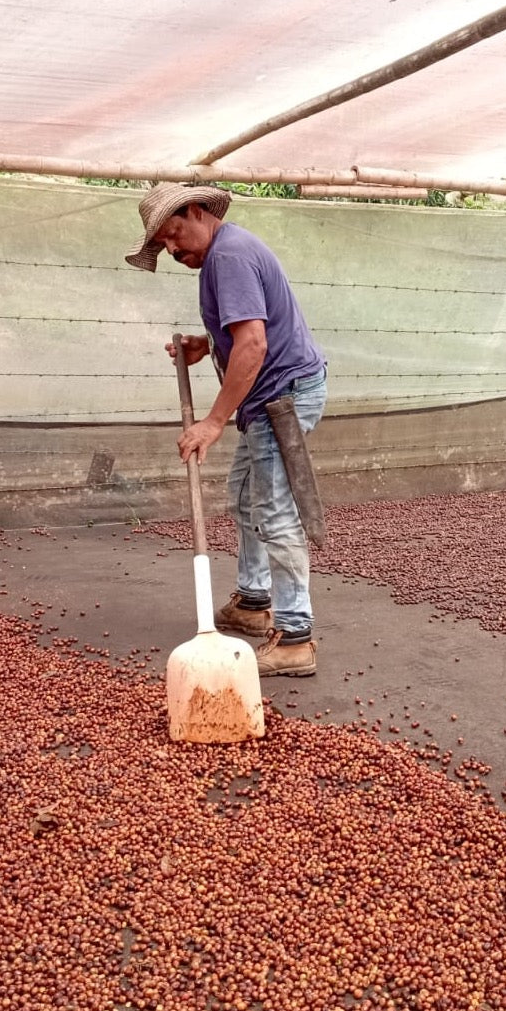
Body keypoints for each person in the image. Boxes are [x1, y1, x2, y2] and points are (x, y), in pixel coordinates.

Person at [125, 183, 327, 677]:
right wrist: (207, 345)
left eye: (173, 235)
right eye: (164, 245)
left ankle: (296, 636)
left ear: (197, 212)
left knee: (275, 511)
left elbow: (254, 346)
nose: (172, 250)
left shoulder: (229, 257)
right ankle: (254, 601)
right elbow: (242, 336)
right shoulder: (223, 253)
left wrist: (213, 421)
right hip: (266, 398)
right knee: (245, 497)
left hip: (282, 397)